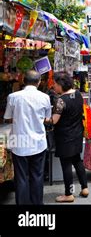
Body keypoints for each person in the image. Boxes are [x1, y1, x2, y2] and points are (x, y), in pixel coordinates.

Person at [3, 70, 52, 205]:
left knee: (21, 176)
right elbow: (47, 118)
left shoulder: (13, 97)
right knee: (37, 175)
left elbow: (7, 118)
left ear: (23, 81)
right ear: (39, 82)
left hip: (18, 141)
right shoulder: (45, 97)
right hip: (38, 142)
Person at [51, 72, 89, 203]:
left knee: (66, 164)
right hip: (77, 134)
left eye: (55, 84)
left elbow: (54, 120)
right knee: (77, 161)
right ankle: (84, 187)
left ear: (61, 84)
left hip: (65, 137)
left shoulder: (60, 100)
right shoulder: (78, 94)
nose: (53, 86)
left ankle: (68, 194)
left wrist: (42, 118)